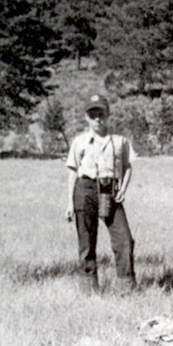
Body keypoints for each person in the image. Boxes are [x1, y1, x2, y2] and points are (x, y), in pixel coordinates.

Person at [65, 94, 136, 294]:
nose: (97, 119)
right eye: (92, 114)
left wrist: (123, 189)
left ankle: (126, 288)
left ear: (108, 115)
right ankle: (89, 290)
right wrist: (70, 203)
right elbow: (72, 171)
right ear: (86, 118)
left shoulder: (119, 141)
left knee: (124, 240)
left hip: (110, 191)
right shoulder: (79, 142)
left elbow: (128, 166)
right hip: (85, 189)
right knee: (86, 241)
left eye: (101, 114)